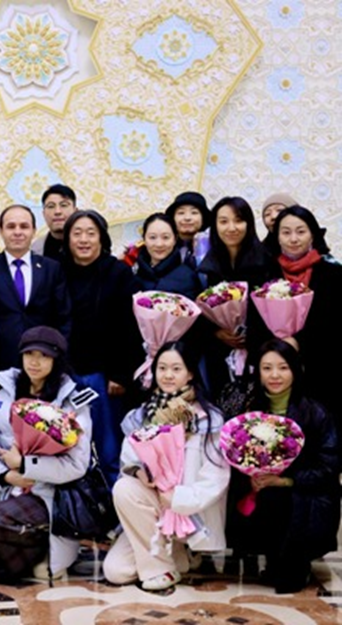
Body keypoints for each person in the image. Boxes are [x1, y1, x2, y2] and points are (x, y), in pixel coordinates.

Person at [0, 327, 94, 582]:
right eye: (29, 354)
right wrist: (4, 475)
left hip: (50, 495)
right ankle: (36, 554)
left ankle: (48, 546)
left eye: (44, 356)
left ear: (57, 360)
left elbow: (77, 465)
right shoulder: (4, 393)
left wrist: (26, 465)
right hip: (7, 490)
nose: (35, 362)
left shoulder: (72, 402)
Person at [103, 341, 229, 591]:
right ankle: (166, 564)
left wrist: (178, 498)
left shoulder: (210, 418)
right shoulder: (141, 416)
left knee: (125, 569)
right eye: (162, 368)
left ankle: (172, 558)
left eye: (176, 369)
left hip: (188, 510)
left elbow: (217, 477)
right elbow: (128, 459)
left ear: (190, 373)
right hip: (153, 508)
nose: (168, 375)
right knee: (115, 571)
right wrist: (138, 471)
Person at [226, 339, 340, 594]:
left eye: (283, 367)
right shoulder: (250, 409)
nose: (274, 375)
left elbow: (329, 466)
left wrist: (286, 480)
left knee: (288, 580)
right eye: (267, 368)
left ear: (295, 370)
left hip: (305, 493)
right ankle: (272, 555)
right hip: (265, 489)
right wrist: (250, 474)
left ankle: (295, 560)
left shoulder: (316, 413)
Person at [61, 210, 139, 482]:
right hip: (65, 373)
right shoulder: (57, 270)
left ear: (102, 238)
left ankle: (115, 496)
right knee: (67, 441)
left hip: (104, 376)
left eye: (90, 233)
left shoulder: (119, 273)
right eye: (77, 233)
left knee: (109, 445)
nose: (84, 239)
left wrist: (121, 374)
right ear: (68, 238)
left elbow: (130, 328)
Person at [254, 206, 342, 421]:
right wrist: (276, 345)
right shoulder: (264, 272)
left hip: (322, 365)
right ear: (277, 237)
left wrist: (298, 341)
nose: (293, 239)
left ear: (312, 234)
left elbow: (335, 321)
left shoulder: (333, 273)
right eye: (286, 232)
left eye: (301, 231)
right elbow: (254, 321)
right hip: (275, 369)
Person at [0, 205, 71, 397]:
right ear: (1, 231)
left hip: (44, 366)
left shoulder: (51, 269)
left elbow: (64, 318)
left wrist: (58, 360)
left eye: (24, 226)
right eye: (11, 226)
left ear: (34, 230)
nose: (17, 232)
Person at [197, 198, 276, 396]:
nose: (231, 228)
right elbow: (198, 309)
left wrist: (250, 336)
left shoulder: (267, 261)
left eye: (238, 220)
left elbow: (275, 310)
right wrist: (217, 332)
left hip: (260, 351)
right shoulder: (207, 265)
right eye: (223, 221)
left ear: (249, 223)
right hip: (220, 353)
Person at [132, 213, 202, 299]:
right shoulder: (132, 274)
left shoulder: (188, 276)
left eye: (165, 237)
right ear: (144, 239)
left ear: (175, 239)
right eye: (152, 237)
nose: (159, 244)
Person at [31, 184, 77, 260]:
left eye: (64, 205)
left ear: (75, 211)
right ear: (44, 214)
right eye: (51, 206)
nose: (57, 212)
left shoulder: (88, 245)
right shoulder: (35, 250)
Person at [165, 191, 211, 265]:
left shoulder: (215, 246)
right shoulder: (163, 245)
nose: (187, 218)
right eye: (181, 213)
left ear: (203, 218)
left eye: (194, 213)